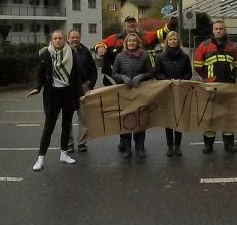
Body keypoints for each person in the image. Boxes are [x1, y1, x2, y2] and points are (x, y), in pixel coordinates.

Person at [95, 15, 176, 152]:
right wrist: (100, 48)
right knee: (123, 115)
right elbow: (101, 43)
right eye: (128, 22)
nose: (131, 24)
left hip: (140, 84)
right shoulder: (115, 38)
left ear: (136, 24)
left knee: (139, 115)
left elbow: (161, 33)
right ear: (124, 24)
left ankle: (139, 145)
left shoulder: (144, 37)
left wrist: (171, 24)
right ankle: (124, 141)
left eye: (133, 22)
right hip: (119, 83)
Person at [28, 30, 83, 171]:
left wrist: (80, 94)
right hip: (52, 94)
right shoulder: (45, 54)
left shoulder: (72, 53)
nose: (58, 40)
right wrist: (37, 87)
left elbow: (77, 75)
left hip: (68, 93)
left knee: (67, 125)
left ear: (65, 39)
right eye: (55, 38)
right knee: (49, 127)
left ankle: (63, 154)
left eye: (60, 38)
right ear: (51, 40)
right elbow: (39, 73)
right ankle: (40, 158)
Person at [193, 20, 237, 154]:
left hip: (228, 87)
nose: (218, 31)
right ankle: (208, 145)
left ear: (225, 30)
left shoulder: (232, 47)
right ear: (213, 31)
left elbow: (236, 65)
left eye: (221, 29)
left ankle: (229, 144)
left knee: (228, 116)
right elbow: (197, 65)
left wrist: (231, 77)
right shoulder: (204, 46)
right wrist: (207, 78)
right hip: (210, 87)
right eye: (216, 29)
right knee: (210, 116)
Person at [112, 33, 155, 159]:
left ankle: (140, 147)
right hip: (124, 93)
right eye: (129, 41)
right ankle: (127, 148)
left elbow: (151, 72)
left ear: (137, 43)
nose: (131, 43)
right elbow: (114, 73)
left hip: (140, 93)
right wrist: (122, 77)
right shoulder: (120, 57)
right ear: (126, 43)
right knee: (125, 121)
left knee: (140, 121)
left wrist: (141, 76)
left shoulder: (144, 56)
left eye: (134, 41)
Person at [155, 31, 193, 156]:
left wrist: (181, 80)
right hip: (167, 91)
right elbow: (157, 73)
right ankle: (169, 146)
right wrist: (167, 80)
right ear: (167, 41)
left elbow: (189, 73)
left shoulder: (185, 57)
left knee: (179, 119)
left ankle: (178, 146)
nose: (173, 41)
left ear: (178, 41)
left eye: (175, 39)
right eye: (170, 39)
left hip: (180, 91)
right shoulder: (160, 57)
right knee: (169, 120)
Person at [67, 29, 98, 153]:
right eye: (72, 37)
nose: (75, 39)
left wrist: (90, 83)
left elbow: (93, 69)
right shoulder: (64, 51)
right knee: (67, 117)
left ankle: (82, 143)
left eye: (77, 37)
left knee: (83, 117)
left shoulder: (85, 51)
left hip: (83, 87)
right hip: (68, 88)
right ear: (68, 38)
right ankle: (68, 143)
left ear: (80, 38)